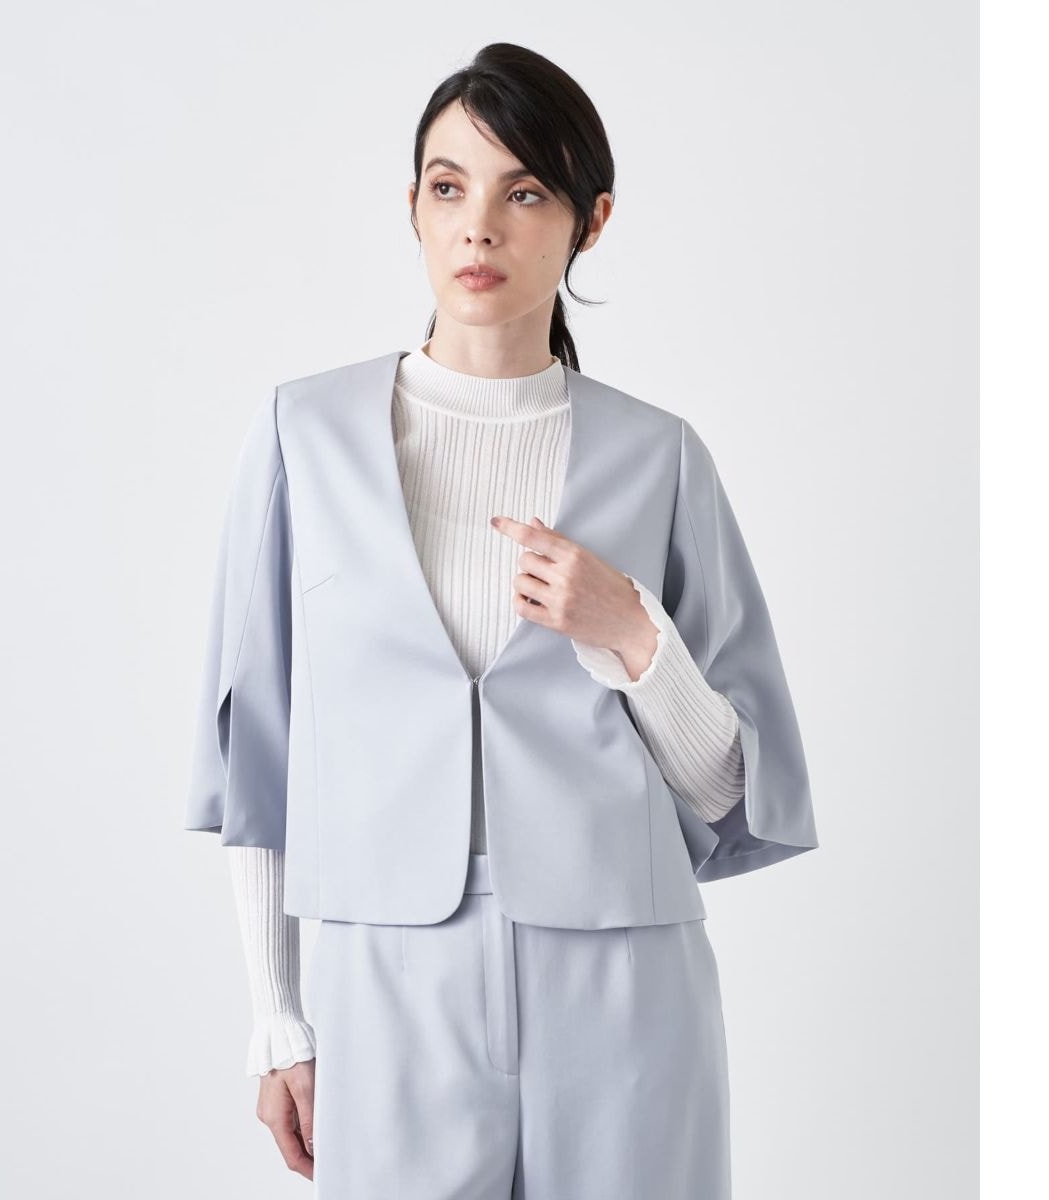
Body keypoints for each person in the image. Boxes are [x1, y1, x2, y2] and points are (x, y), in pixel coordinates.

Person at [189, 42, 815, 1198]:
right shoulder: (302, 437)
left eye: (523, 192)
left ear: (591, 220)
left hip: (624, 973)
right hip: (387, 968)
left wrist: (632, 634)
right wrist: (276, 1016)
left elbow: (730, 789)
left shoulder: (662, 457)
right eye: (449, 187)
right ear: (414, 208)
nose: (478, 225)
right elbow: (258, 755)